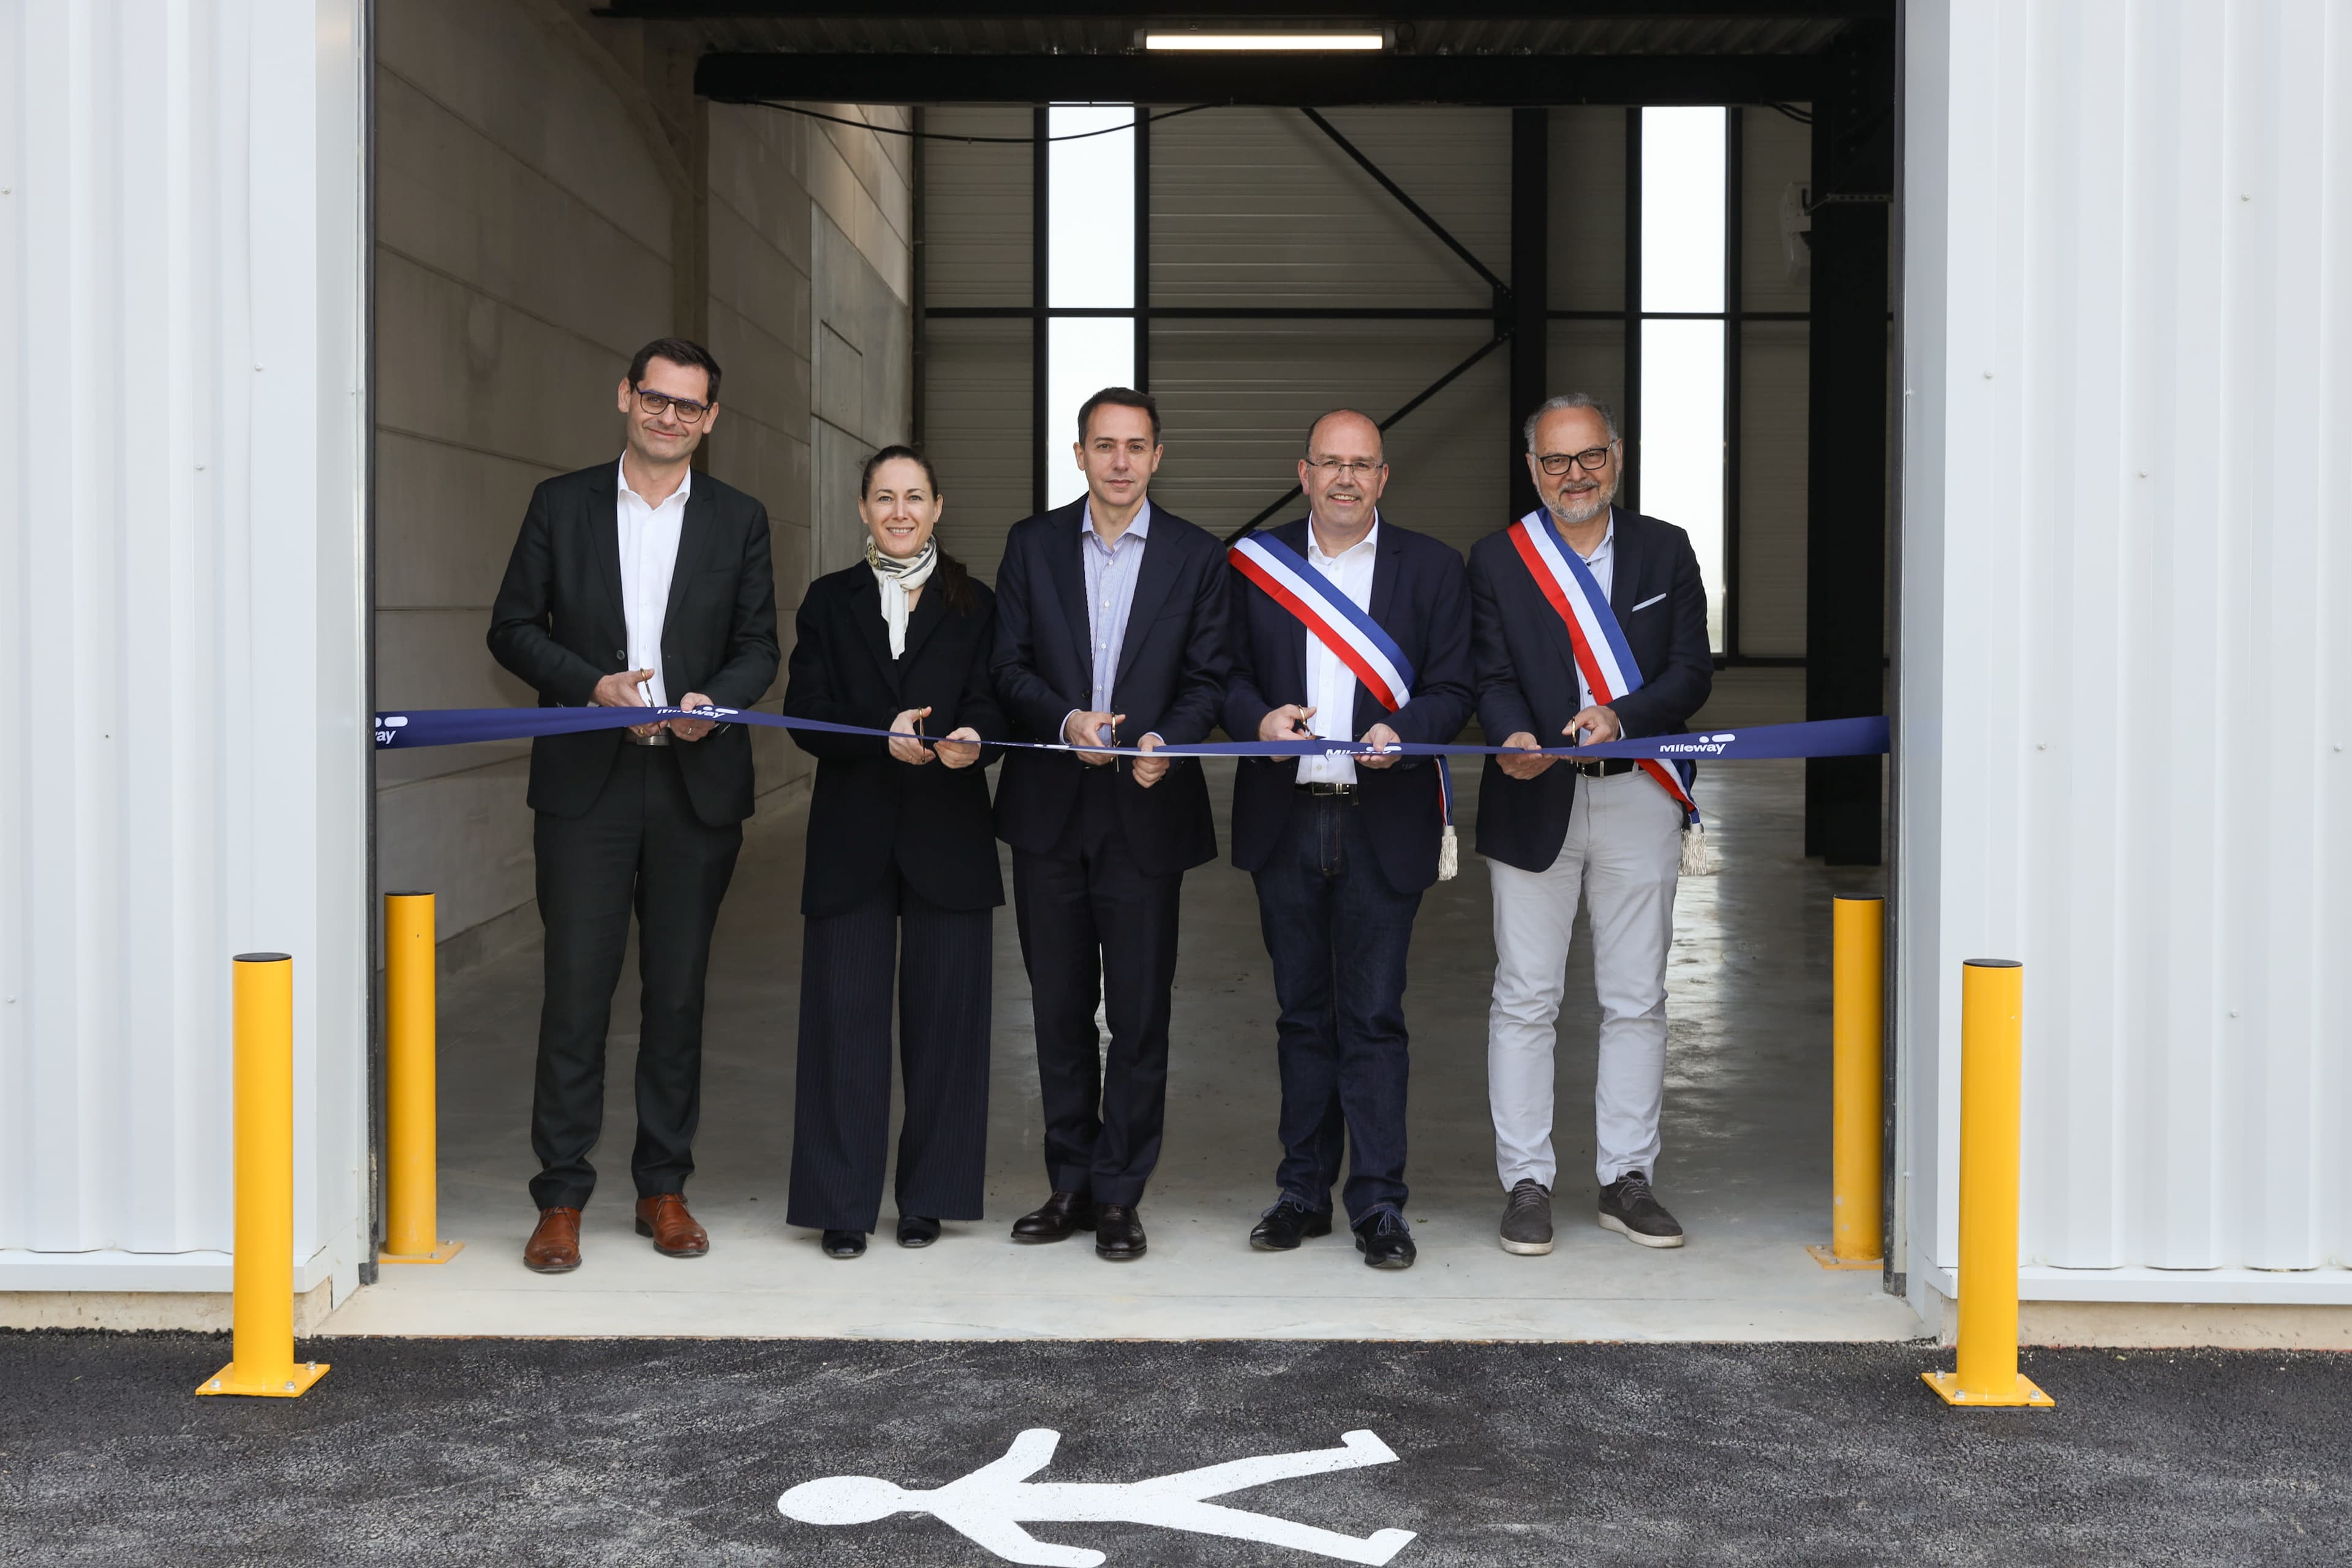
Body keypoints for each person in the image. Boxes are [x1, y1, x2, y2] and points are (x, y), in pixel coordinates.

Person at [487, 336, 780, 1274]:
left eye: (688, 407)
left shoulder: (739, 519)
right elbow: (512, 628)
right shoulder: (561, 504)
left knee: (678, 994)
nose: (669, 417)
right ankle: (562, 1198)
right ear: (625, 396)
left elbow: (757, 645)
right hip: (588, 784)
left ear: (710, 419)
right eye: (655, 399)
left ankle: (664, 1188)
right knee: (576, 993)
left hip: (694, 785)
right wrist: (589, 685)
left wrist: (711, 702)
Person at [1221, 410, 1472, 1270]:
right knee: (1301, 1017)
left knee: (1372, 1018)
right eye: (1330, 464)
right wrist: (1256, 716)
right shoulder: (1258, 568)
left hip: (1383, 817)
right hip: (1286, 817)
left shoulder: (1432, 569)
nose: (1345, 479)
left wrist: (1408, 728)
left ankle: (1377, 1202)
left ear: (1384, 477)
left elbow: (1455, 683)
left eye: (1361, 465)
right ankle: (1301, 1191)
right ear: (1304, 472)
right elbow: (1221, 674)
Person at [990, 387, 1231, 1261]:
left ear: (1158, 456)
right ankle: (1069, 1182)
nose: (1121, 461)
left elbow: (1210, 677)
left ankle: (1123, 1193)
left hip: (1147, 807)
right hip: (1049, 807)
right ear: (1080, 455)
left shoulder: (1200, 558)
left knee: (1138, 1015)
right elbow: (1007, 665)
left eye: (1136, 446)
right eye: (1105, 445)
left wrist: (1174, 736)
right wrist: (1065, 722)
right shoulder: (1031, 545)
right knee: (1056, 1011)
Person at [1469, 393, 1712, 1257]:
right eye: (1555, 461)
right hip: (1533, 792)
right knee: (1526, 996)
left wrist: (1623, 713)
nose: (1575, 475)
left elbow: (1691, 672)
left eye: (1590, 457)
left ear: (1617, 456)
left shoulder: (1666, 550)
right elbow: (1488, 672)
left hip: (1636, 790)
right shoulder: (1499, 559)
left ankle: (1625, 1179)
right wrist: (1512, 736)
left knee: (1636, 996)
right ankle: (1526, 1182)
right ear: (1532, 469)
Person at [781, 446, 1003, 1259]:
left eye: (915, 497)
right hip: (853, 837)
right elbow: (805, 712)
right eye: (884, 497)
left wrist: (973, 740)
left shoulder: (976, 602)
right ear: (863, 509)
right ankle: (842, 1203)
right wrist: (881, 739)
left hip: (949, 835)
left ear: (939, 506)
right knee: (845, 1024)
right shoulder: (828, 602)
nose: (900, 512)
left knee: (948, 1027)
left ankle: (929, 1198)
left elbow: (994, 699)